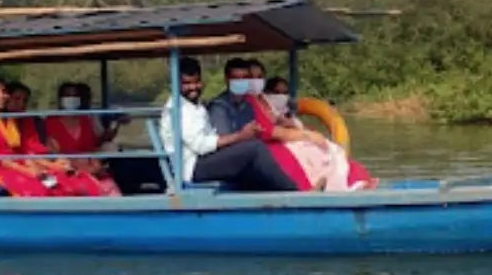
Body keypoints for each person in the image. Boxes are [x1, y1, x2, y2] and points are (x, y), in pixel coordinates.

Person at [159, 57, 299, 191]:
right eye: (186, 83)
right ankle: (295, 193)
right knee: (254, 148)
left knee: (250, 157)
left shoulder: (195, 106)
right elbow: (200, 145)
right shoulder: (179, 109)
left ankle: (277, 196)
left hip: (204, 159)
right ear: (175, 84)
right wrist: (240, 136)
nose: (193, 87)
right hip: (192, 168)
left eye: (196, 82)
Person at [0, 78, 113, 197]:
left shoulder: (10, 120)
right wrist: (30, 170)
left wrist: (51, 165)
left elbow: (28, 152)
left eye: (3, 92)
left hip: (20, 165)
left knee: (60, 181)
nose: (1, 96)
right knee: (39, 187)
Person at [255, 70, 377, 192]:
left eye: (284, 93)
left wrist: (298, 128)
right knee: (304, 151)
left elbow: (296, 126)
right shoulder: (260, 107)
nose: (281, 96)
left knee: (328, 149)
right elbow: (271, 130)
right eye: (276, 92)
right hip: (279, 141)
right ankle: (319, 184)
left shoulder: (287, 110)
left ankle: (348, 183)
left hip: (293, 137)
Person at [44, 81, 122, 196]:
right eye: (68, 95)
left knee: (111, 189)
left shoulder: (85, 120)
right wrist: (80, 167)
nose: (71, 99)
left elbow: (92, 147)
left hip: (90, 170)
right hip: (65, 173)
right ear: (60, 99)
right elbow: (53, 155)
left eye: (75, 96)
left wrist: (95, 166)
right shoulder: (50, 122)